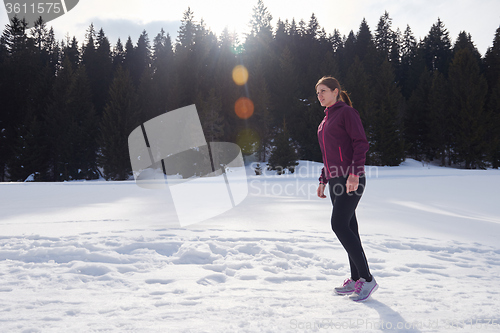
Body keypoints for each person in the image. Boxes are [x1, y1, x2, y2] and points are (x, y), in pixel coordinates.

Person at [315, 76, 378, 302]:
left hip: (351, 178)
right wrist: (323, 179)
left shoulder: (347, 113)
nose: (320, 96)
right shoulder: (324, 122)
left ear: (335, 91)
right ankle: (355, 279)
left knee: (338, 224)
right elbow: (327, 156)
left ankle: (367, 279)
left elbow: (360, 143)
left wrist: (354, 173)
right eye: (318, 92)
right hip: (335, 181)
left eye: (323, 91)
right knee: (350, 227)